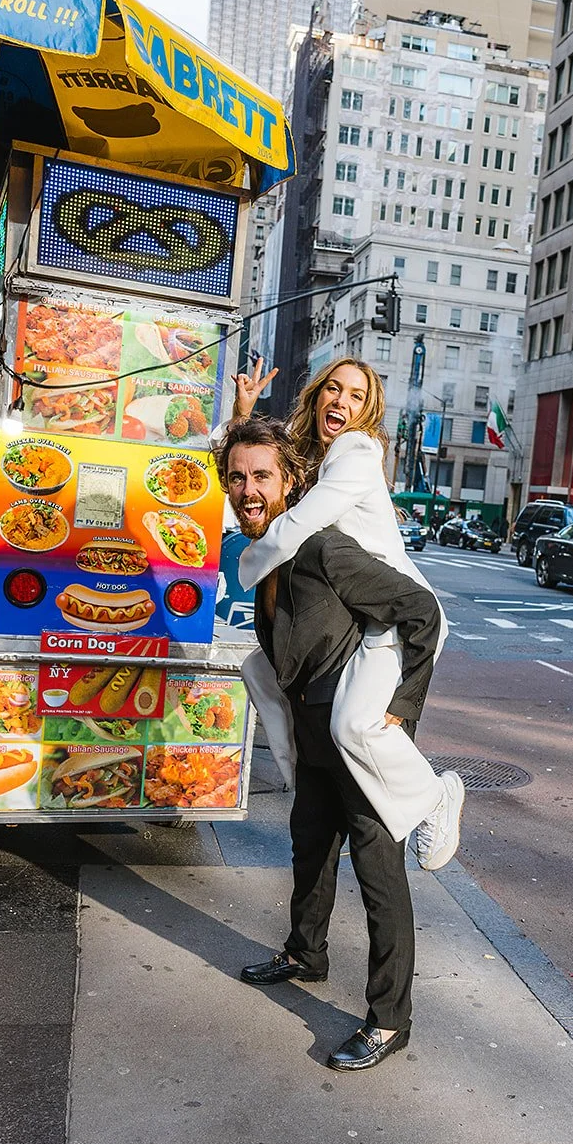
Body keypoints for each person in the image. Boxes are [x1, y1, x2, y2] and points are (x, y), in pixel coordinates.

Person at [218, 416, 442, 1071]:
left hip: (355, 738)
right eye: (236, 476)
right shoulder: (261, 556)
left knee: (379, 876)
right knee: (309, 849)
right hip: (312, 735)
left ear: (290, 481)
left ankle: (389, 1020)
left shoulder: (322, 547)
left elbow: (417, 610)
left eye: (262, 475)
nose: (248, 487)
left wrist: (403, 710)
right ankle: (304, 954)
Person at [229, 356, 463, 871]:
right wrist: (242, 416)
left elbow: (298, 523)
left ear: (366, 411)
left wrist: (247, 561)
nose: (341, 401)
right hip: (355, 613)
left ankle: (434, 796)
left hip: (393, 615)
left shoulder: (356, 452)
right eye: (334, 389)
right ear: (317, 396)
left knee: (356, 725)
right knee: (258, 669)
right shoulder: (314, 456)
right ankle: (293, 772)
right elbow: (252, 472)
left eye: (356, 396)